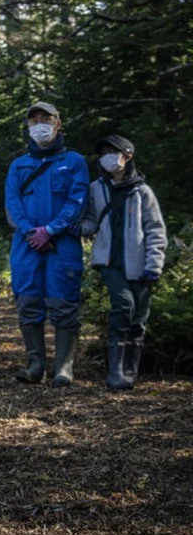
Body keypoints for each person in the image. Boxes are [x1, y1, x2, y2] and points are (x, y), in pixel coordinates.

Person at [5, 102, 89, 387]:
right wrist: (31, 232)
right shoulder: (18, 165)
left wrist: (51, 230)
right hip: (26, 244)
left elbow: (77, 200)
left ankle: (63, 368)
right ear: (28, 127)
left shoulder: (75, 161)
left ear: (58, 123)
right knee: (28, 301)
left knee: (64, 302)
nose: (40, 124)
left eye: (46, 118)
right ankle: (35, 364)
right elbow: (13, 204)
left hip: (62, 244)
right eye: (34, 120)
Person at [80, 135, 167, 390]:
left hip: (139, 264)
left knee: (138, 317)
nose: (108, 156)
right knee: (123, 305)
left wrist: (154, 264)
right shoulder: (96, 188)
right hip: (109, 261)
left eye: (113, 151)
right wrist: (77, 228)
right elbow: (91, 221)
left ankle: (130, 372)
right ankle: (115, 372)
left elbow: (155, 230)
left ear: (127, 156)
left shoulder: (142, 192)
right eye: (104, 152)